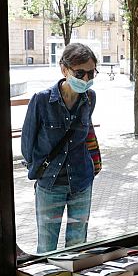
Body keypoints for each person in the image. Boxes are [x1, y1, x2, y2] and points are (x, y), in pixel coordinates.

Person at [22, 43, 99, 254]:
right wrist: (40, 170)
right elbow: (27, 145)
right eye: (80, 73)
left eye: (90, 73)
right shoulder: (41, 100)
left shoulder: (90, 98)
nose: (85, 79)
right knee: (47, 246)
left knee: (77, 245)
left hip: (82, 181)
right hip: (50, 183)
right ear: (64, 70)